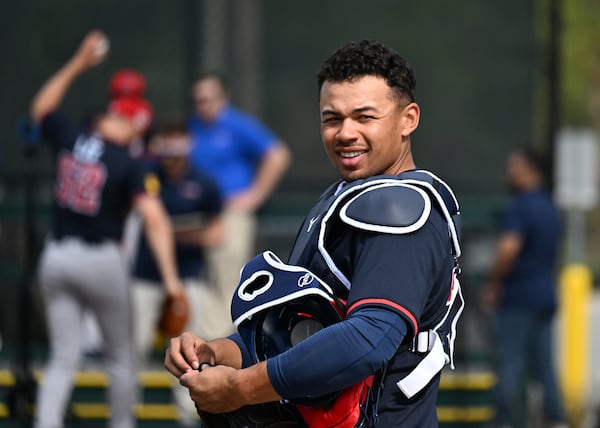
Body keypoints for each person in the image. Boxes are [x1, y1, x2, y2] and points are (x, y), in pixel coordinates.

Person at [165, 39, 464, 427]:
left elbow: (367, 340)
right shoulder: (345, 196)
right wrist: (217, 351)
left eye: (364, 117)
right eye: (332, 118)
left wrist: (240, 387)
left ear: (408, 119)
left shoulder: (400, 209)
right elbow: (297, 329)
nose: (345, 132)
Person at [29, 30, 185, 428]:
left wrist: (79, 62)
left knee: (64, 356)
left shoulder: (73, 137)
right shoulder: (127, 161)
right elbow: (153, 218)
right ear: (133, 126)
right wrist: (171, 282)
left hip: (57, 256)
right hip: (101, 259)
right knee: (121, 357)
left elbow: (41, 109)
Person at [131, 122, 224, 426]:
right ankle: (125, 414)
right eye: (166, 148)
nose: (172, 156)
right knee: (134, 344)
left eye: (177, 147)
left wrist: (176, 234)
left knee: (191, 349)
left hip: (188, 276)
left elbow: (216, 235)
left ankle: (189, 414)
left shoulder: (204, 183)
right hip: (146, 275)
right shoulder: (145, 176)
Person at [187, 72, 291, 336]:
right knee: (200, 279)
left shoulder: (236, 125)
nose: (203, 104)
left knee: (229, 277)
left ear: (223, 97)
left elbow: (277, 155)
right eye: (198, 100)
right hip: (199, 215)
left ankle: (220, 341)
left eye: (209, 98)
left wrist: (255, 194)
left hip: (229, 212)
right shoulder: (193, 128)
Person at [481, 148, 567, 428]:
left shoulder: (520, 207)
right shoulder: (549, 206)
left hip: (518, 297)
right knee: (545, 366)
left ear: (530, 170)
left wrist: (493, 282)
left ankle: (503, 421)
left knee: (511, 362)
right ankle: (557, 418)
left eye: (514, 167)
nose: (509, 173)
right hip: (545, 296)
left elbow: (508, 250)